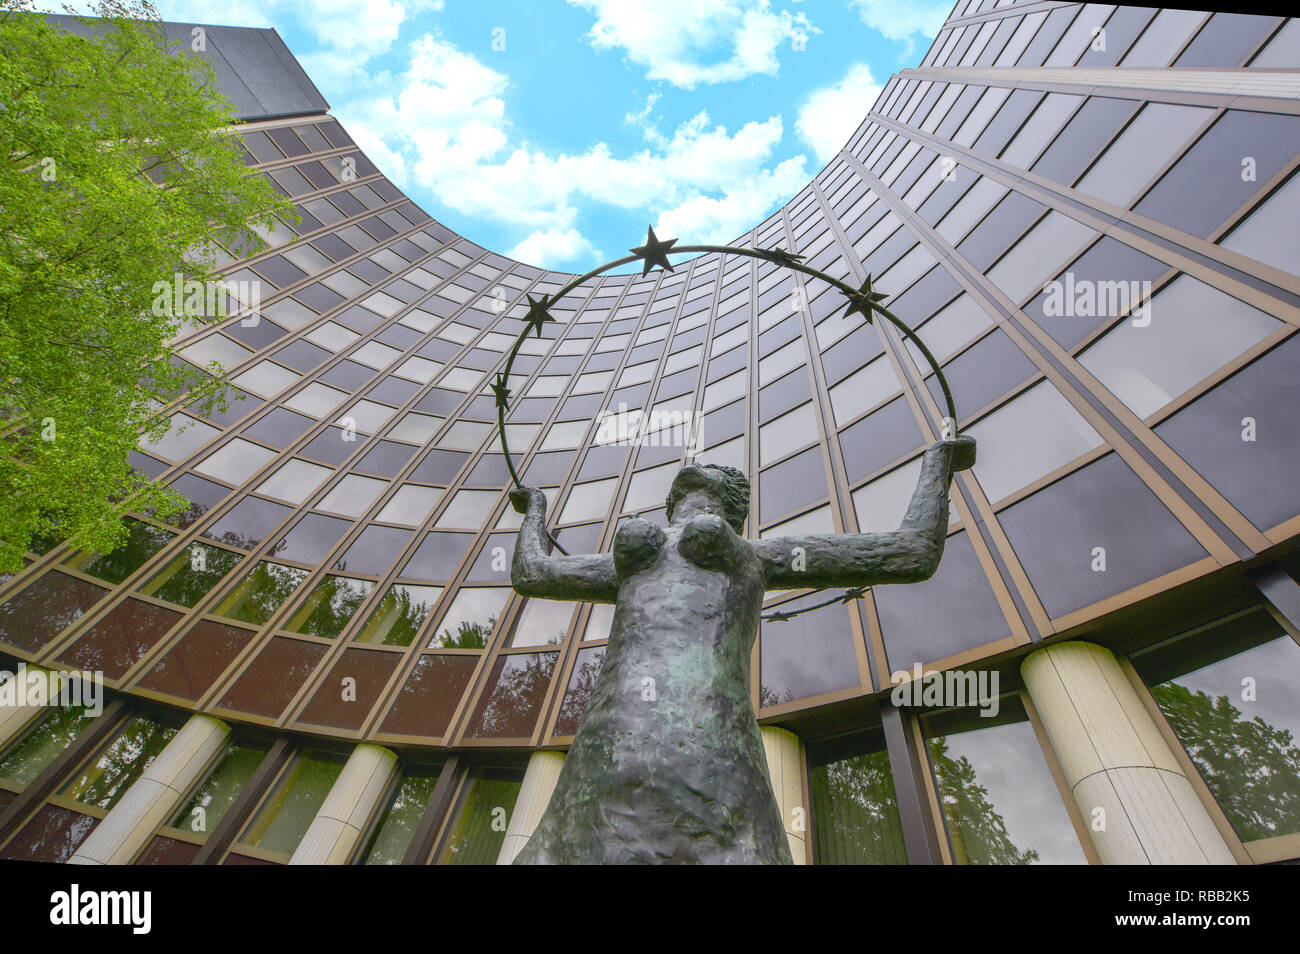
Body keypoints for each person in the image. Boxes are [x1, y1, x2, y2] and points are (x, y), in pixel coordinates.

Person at [508, 433, 976, 863]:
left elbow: (908, 551)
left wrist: (940, 463)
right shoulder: (623, 566)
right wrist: (536, 510)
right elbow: (532, 573)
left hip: (712, 745)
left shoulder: (757, 555)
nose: (701, 467)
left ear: (733, 511)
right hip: (607, 747)